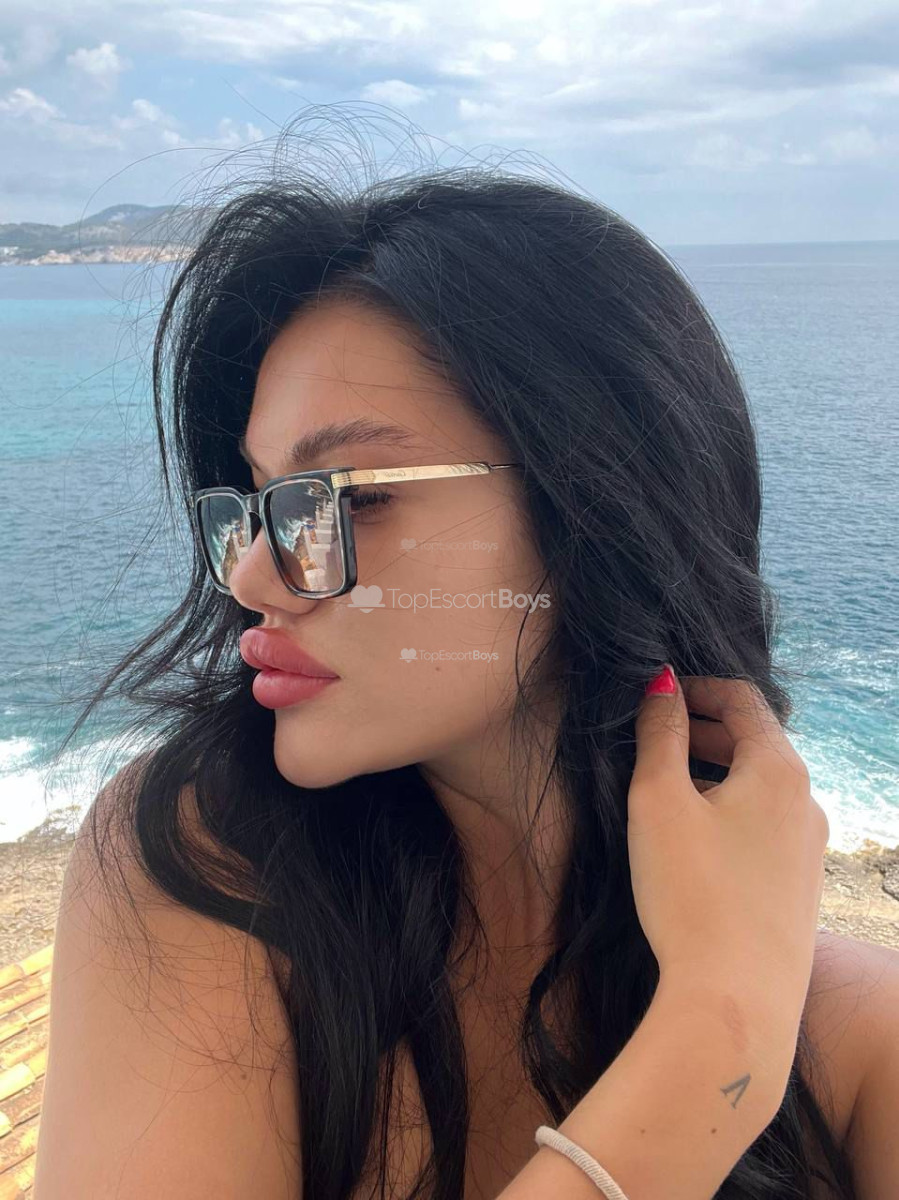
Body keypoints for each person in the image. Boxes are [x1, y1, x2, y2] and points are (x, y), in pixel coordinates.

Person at [33, 120, 896, 1199]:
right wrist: (716, 1043)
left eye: (350, 498)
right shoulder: (201, 873)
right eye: (255, 503)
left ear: (598, 515)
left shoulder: (857, 1046)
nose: (250, 576)